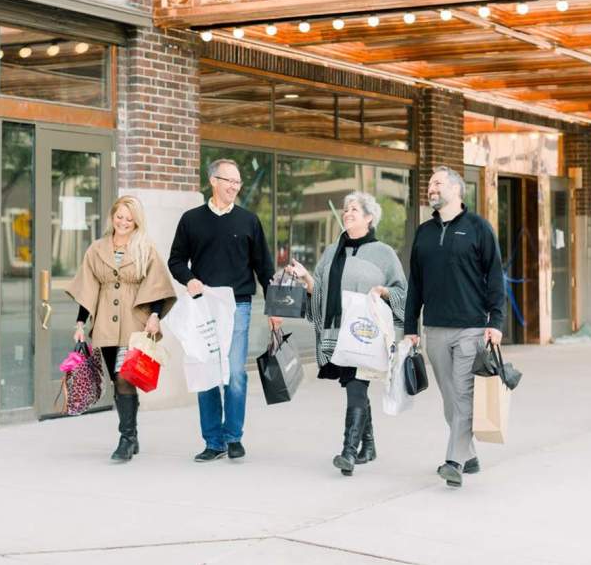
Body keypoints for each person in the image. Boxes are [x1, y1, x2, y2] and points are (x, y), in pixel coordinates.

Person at [168, 158, 282, 462]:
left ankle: (233, 437)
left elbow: (264, 267)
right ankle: (213, 441)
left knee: (234, 373)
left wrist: (273, 306)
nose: (234, 187)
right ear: (213, 181)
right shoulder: (191, 220)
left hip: (239, 306)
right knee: (206, 372)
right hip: (204, 308)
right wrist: (189, 279)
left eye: (238, 182)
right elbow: (176, 261)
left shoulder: (248, 221)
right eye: (228, 180)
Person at [287, 191, 407, 476]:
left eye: (354, 210)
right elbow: (320, 290)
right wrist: (305, 277)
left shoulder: (384, 253)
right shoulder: (332, 251)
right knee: (353, 387)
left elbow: (403, 292)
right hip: (337, 333)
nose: (347, 213)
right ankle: (369, 447)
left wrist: (383, 291)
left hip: (366, 333)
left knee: (356, 387)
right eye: (345, 210)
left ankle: (349, 452)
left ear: (369, 217)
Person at [404, 166, 505, 488]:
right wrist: (410, 326)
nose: (431, 188)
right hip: (434, 327)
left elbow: (495, 277)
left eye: (437, 183)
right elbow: (415, 283)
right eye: (430, 184)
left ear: (456, 190)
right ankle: (470, 454)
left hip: (471, 328)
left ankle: (453, 462)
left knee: (463, 395)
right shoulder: (424, 232)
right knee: (450, 400)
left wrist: (496, 322)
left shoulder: (478, 228)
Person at [66, 195, 176, 462]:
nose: (124, 222)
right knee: (118, 380)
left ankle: (125, 439)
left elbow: (158, 286)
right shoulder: (97, 249)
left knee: (126, 376)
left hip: (133, 321)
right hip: (105, 323)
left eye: (129, 218)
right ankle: (133, 434)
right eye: (120, 216)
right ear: (112, 216)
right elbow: (88, 289)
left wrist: (154, 315)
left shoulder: (145, 248)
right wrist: (81, 323)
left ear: (136, 221)